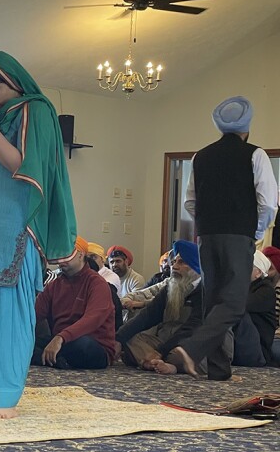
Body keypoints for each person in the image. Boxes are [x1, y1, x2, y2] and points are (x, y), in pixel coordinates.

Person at [0, 51, 76, 419]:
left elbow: (21, 165)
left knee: (6, 314)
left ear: (14, 83)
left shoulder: (34, 110)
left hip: (14, 228)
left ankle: (5, 398)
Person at [171, 96, 279, 380]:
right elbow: (268, 203)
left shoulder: (199, 157)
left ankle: (218, 371)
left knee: (214, 301)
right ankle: (191, 350)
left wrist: (207, 226)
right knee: (232, 303)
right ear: (248, 127)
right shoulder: (256, 155)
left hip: (206, 236)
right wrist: (254, 233)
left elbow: (189, 202)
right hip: (238, 236)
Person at [115, 241, 205, 372]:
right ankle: (158, 363)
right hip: (164, 342)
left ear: (195, 267)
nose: (174, 267)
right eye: (174, 262)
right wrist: (118, 338)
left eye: (181, 262)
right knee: (130, 339)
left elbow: (192, 328)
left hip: (190, 343)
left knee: (181, 355)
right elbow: (147, 315)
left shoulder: (205, 292)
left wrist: (160, 351)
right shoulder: (170, 288)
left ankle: (165, 365)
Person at [33, 237, 116, 370]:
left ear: (80, 254)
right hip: (60, 341)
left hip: (91, 344)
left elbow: (92, 320)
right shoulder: (53, 285)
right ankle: (58, 361)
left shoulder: (97, 283)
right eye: (58, 255)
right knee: (21, 343)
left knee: (83, 345)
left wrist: (61, 337)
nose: (60, 259)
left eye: (65, 254)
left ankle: (50, 359)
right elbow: (35, 314)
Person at [231, 250, 278, 367]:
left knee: (236, 313)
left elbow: (237, 306)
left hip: (258, 352)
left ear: (258, 273)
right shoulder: (243, 288)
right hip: (239, 346)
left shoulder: (266, 291)